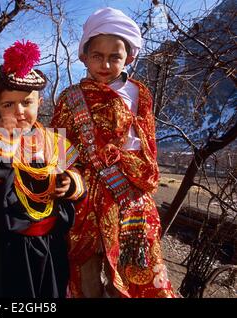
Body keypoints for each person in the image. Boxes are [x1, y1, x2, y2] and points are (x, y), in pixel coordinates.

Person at [51, 7, 176, 298]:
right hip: (87, 196)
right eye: (97, 56)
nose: (105, 64)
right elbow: (59, 148)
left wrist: (132, 168)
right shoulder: (71, 99)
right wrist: (68, 177)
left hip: (130, 194)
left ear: (129, 57)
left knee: (137, 267)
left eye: (115, 57)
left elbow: (147, 144)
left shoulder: (139, 94)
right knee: (86, 269)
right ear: (84, 56)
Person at [0, 40, 86, 298]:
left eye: (26, 103)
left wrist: (71, 183)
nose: (19, 112)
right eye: (8, 105)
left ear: (40, 102)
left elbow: (80, 175)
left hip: (51, 246)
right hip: (7, 250)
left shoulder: (57, 143)